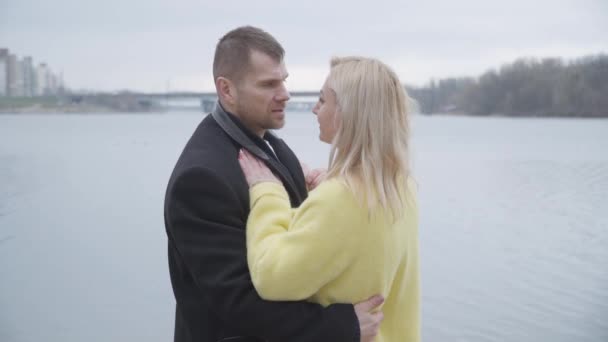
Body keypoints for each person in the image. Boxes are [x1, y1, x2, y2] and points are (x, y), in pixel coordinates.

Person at [164, 26, 384, 342]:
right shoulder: (200, 178)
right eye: (269, 84)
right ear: (226, 90)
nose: (285, 93)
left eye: (283, 80)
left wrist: (326, 195)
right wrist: (343, 326)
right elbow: (240, 301)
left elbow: (293, 244)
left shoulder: (271, 145)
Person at [238, 56, 420, 342]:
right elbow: (355, 243)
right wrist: (329, 187)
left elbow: (270, 276)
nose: (314, 109)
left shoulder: (341, 199)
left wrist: (266, 192)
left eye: (323, 101)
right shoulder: (401, 186)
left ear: (348, 113)